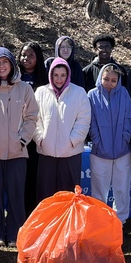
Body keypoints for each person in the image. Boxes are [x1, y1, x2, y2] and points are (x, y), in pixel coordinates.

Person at [0, 47, 39, 246]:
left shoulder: (24, 88)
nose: (2, 66)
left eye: (5, 62)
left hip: (17, 151)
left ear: (12, 65)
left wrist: (22, 140)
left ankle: (15, 234)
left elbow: (31, 118)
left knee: (16, 195)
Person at [34, 57, 91, 200]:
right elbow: (34, 119)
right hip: (46, 153)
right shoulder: (41, 92)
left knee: (69, 196)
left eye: (63, 75)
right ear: (50, 75)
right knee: (46, 196)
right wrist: (40, 139)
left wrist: (72, 141)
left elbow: (83, 121)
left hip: (71, 154)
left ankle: (69, 223)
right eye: (56, 75)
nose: (59, 79)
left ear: (68, 75)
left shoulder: (79, 93)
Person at [87, 64, 131, 223]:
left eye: (113, 80)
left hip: (122, 152)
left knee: (122, 189)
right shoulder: (92, 95)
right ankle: (100, 221)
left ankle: (120, 221)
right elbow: (91, 121)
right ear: (100, 78)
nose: (109, 82)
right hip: (100, 152)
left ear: (118, 81)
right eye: (106, 79)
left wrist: (125, 138)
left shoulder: (124, 94)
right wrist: (97, 141)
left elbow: (129, 119)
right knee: (100, 190)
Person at [18, 41, 48, 214]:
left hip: (38, 135)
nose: (26, 58)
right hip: (18, 134)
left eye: (30, 55)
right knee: (21, 177)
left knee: (34, 176)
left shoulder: (44, 79)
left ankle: (35, 212)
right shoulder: (15, 77)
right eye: (23, 54)